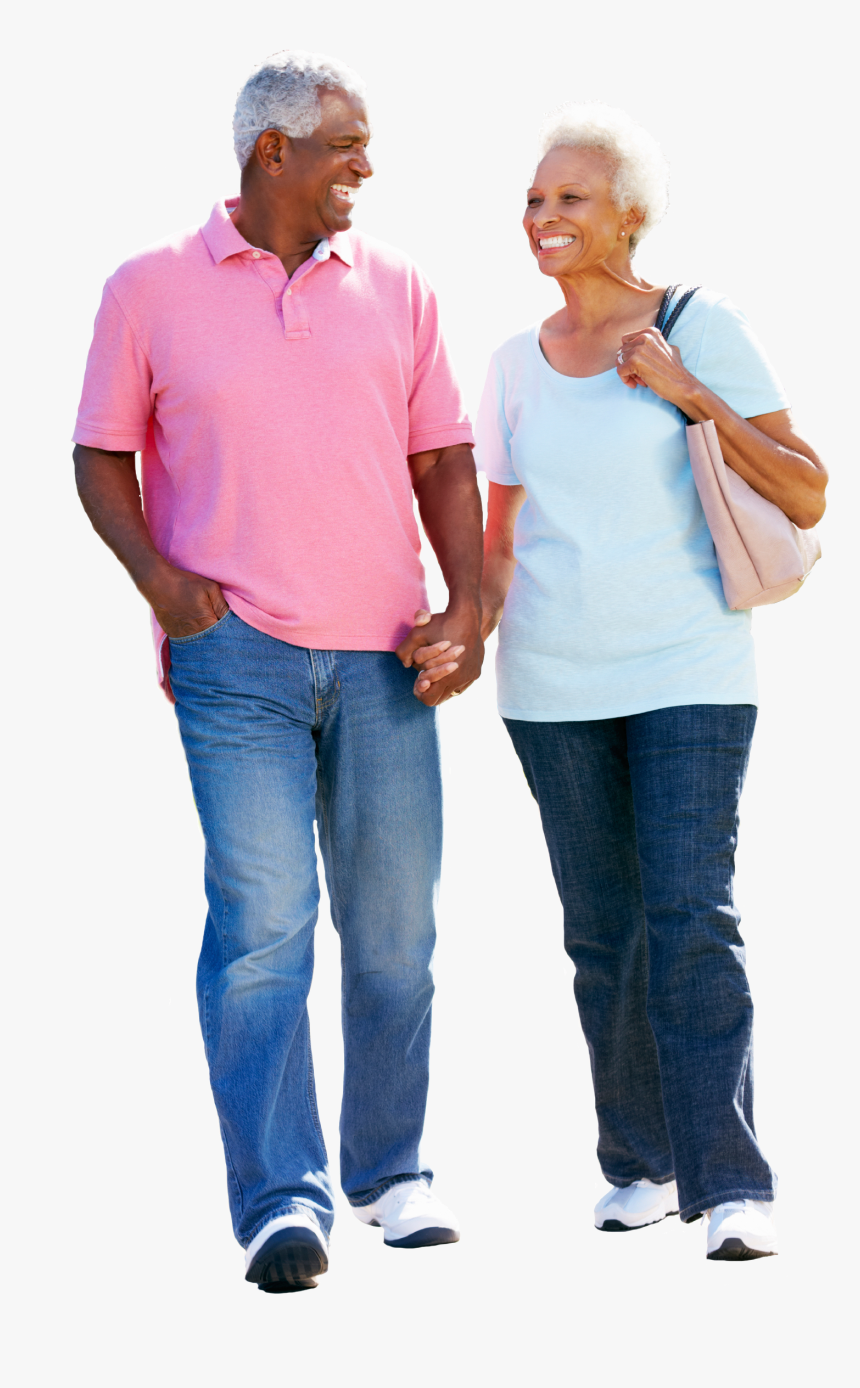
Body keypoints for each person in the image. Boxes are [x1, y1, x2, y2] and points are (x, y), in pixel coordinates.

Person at [73, 50, 484, 1292]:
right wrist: (161, 583)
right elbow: (98, 456)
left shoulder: (399, 287)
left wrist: (468, 602)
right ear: (274, 154)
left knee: (395, 934)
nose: (367, 165)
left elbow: (445, 458)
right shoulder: (147, 288)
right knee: (262, 930)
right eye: (347, 144)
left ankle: (389, 1171)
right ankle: (279, 1200)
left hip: (383, 657)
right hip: (234, 654)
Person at [477, 103, 826, 1261]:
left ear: (628, 211)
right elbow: (499, 536)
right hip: (549, 685)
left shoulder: (697, 323)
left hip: (687, 670)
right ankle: (637, 1159)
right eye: (534, 197)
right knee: (603, 934)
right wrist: (463, 629)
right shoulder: (510, 365)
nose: (543, 216)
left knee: (689, 915)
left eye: (568, 196)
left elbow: (808, 489)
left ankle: (730, 1181)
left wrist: (690, 394)